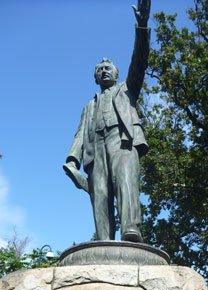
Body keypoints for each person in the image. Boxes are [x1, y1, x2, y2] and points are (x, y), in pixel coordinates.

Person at [63, 0, 151, 242]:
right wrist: (72, 160)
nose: (104, 71)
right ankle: (103, 238)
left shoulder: (127, 90)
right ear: (95, 78)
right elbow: (80, 134)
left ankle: (130, 229)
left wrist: (142, 26)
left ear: (117, 73)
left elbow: (140, 62)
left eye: (108, 67)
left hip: (122, 141)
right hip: (95, 149)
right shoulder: (88, 105)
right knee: (100, 194)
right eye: (100, 69)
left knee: (125, 183)